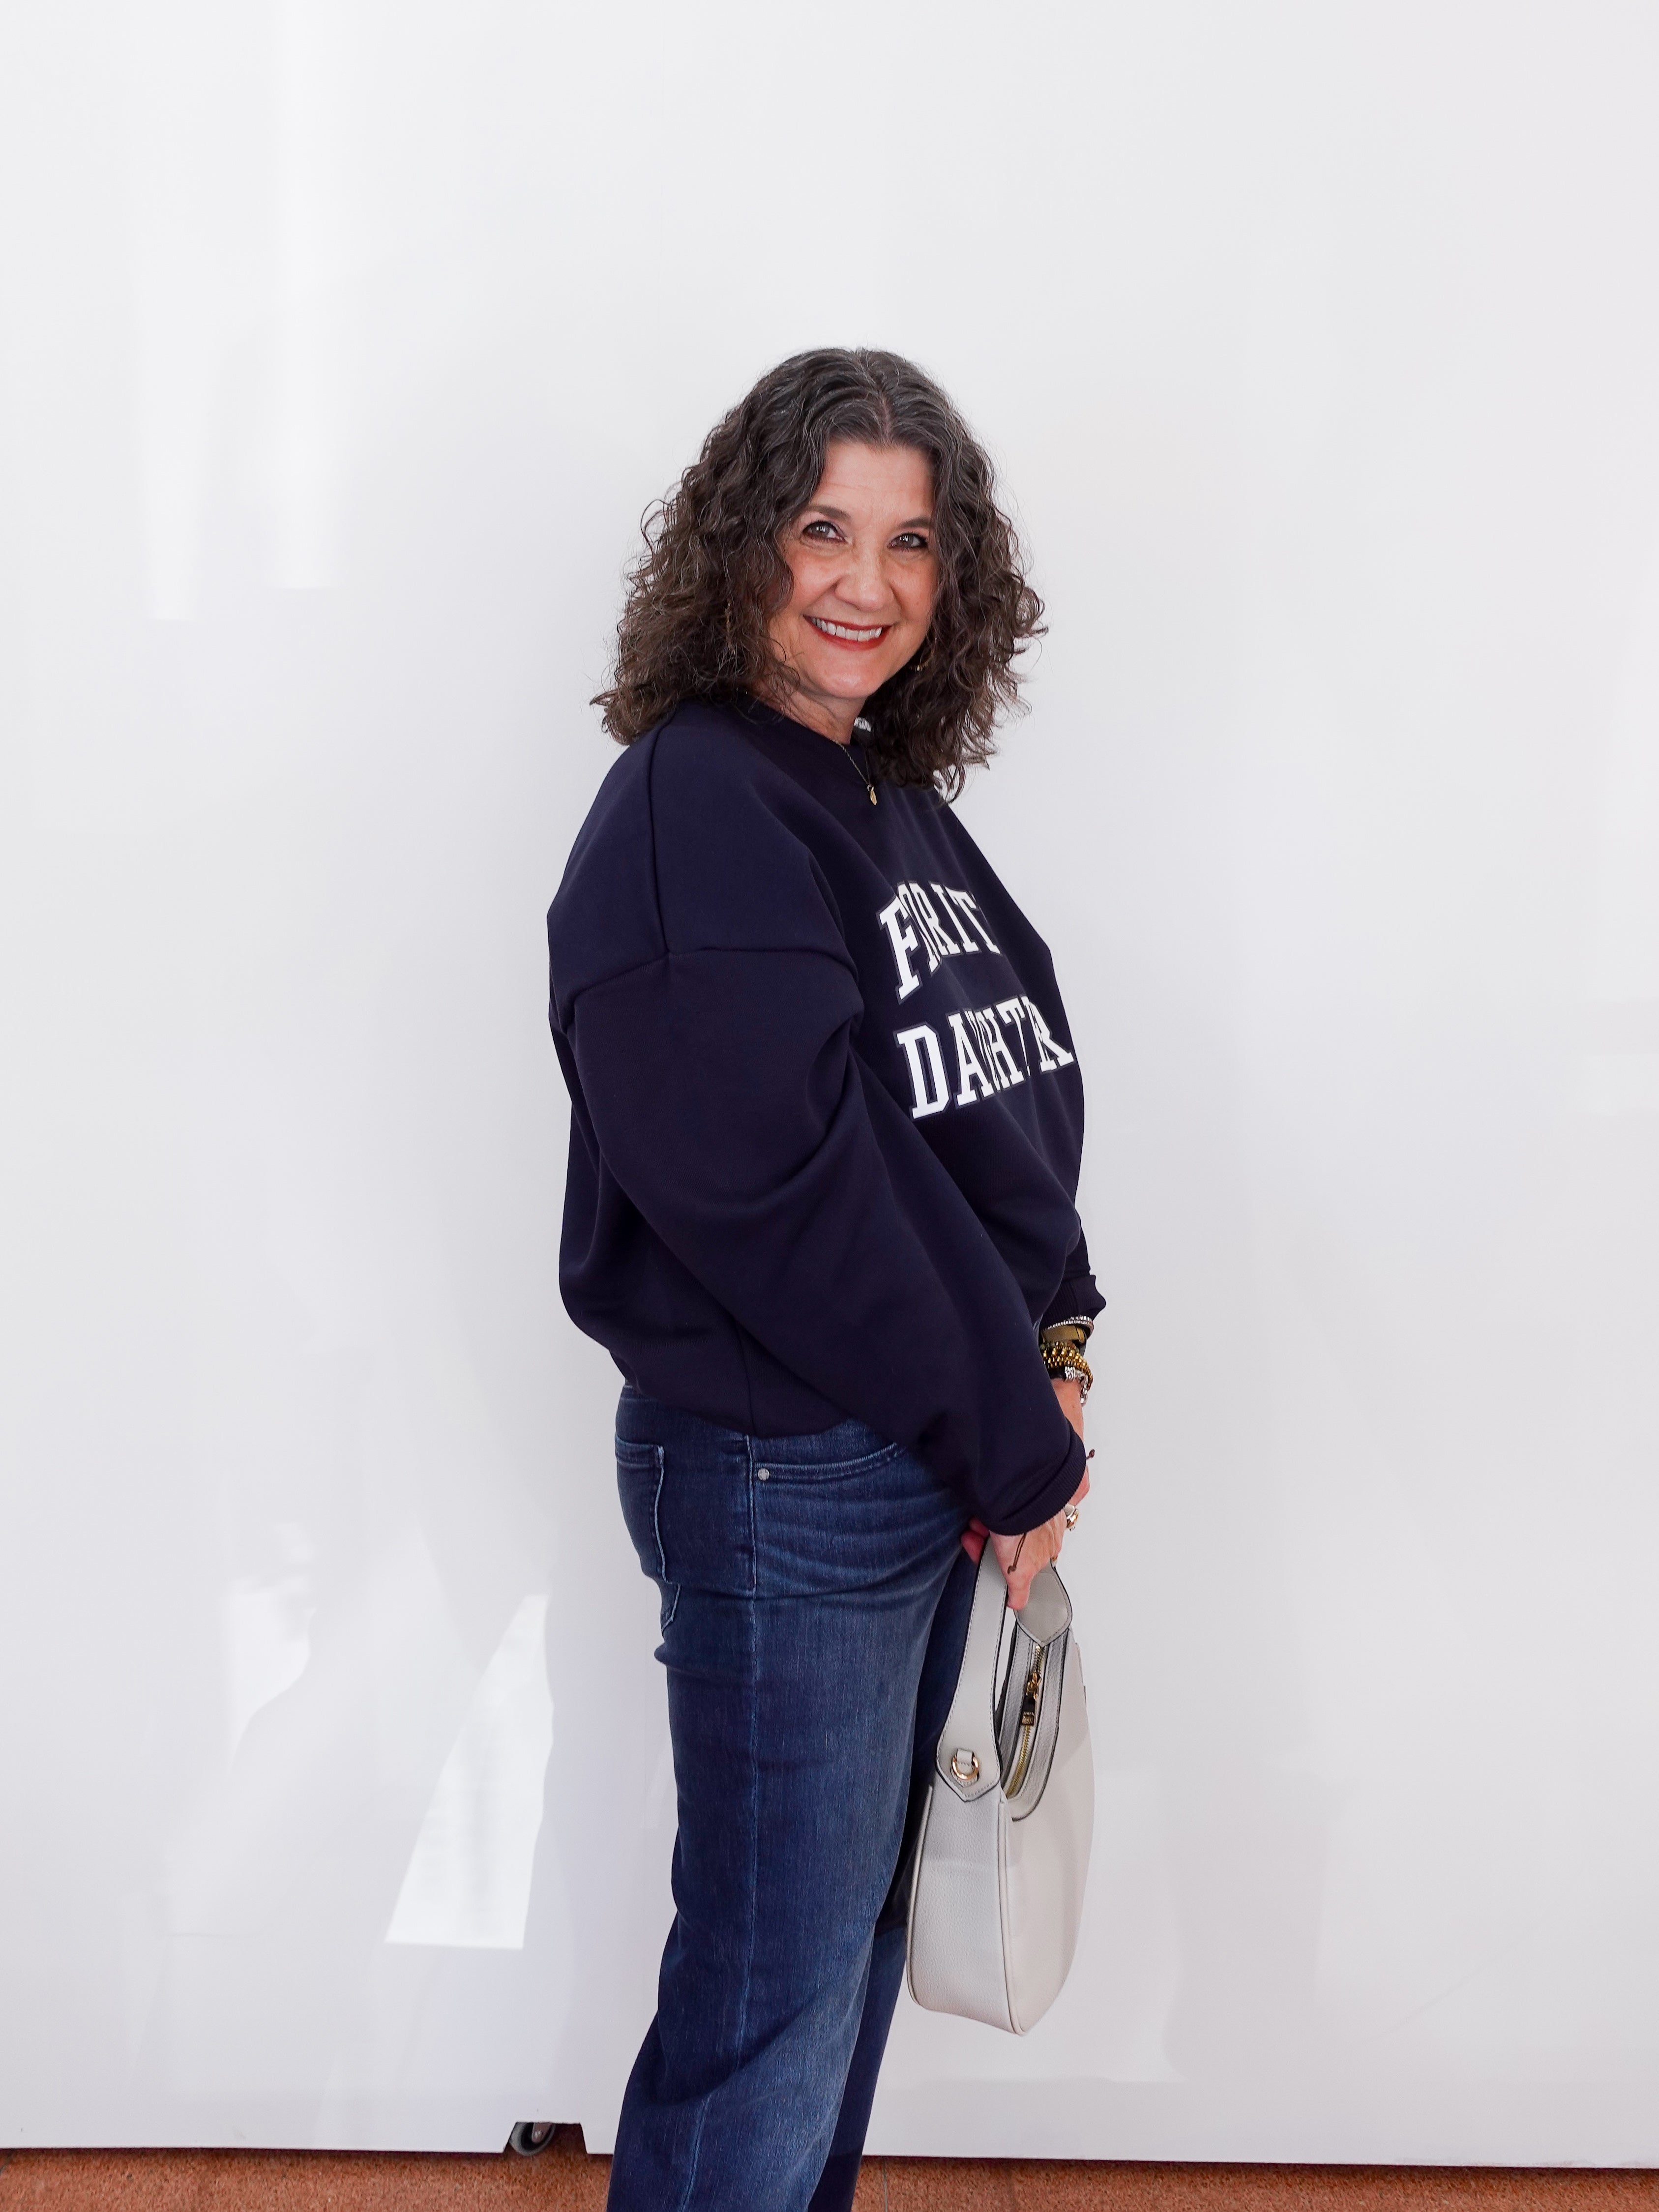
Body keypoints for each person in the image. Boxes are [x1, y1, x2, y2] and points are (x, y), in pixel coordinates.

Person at [546, 348, 1101, 2212]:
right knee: (770, 1998)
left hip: (916, 1445)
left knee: (840, 1966)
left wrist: (1060, 1335)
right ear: (742, 552)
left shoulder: (874, 795)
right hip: (794, 1464)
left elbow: (995, 1100)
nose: (868, 580)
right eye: (823, 530)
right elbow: (785, 1190)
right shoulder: (700, 806)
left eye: (913, 541)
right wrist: (1012, 1434)